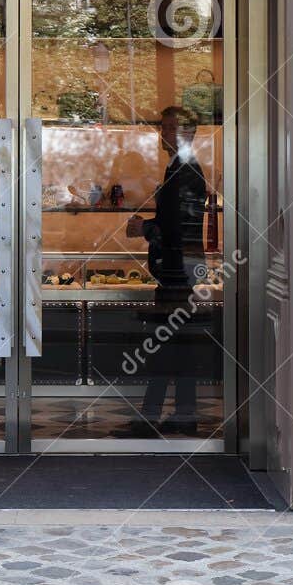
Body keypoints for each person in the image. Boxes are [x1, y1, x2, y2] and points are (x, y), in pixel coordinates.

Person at [119, 106, 207, 437]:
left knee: (165, 343)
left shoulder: (186, 170)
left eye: (172, 128)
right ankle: (183, 414)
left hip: (178, 272)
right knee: (175, 344)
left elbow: (178, 226)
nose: (165, 133)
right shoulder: (179, 168)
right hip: (181, 269)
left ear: (189, 134)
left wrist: (144, 227)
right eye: (163, 127)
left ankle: (151, 417)